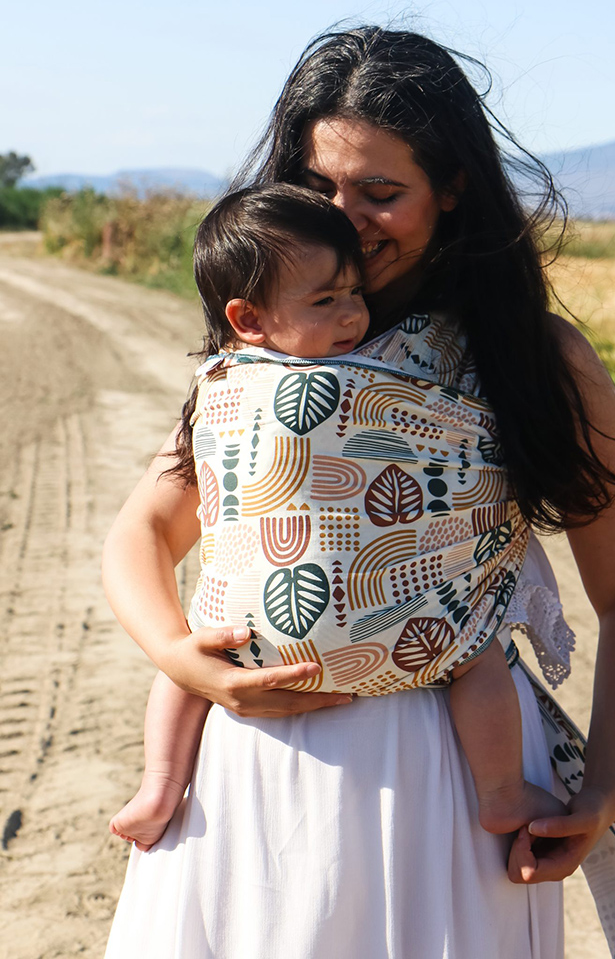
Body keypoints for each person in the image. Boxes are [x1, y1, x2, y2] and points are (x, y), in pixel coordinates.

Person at [103, 26, 615, 959]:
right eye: (321, 187)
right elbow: (143, 534)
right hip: (251, 772)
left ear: (451, 191)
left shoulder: (532, 360)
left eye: (380, 192)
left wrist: (608, 783)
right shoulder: (257, 362)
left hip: (451, 784)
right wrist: (186, 661)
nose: (346, 217)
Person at [109, 183, 565, 870]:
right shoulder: (233, 385)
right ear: (250, 318)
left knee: (477, 654)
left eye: (354, 295)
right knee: (473, 649)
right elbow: (145, 525)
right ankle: (162, 784)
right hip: (363, 651)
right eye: (327, 301)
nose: (353, 314)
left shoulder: (243, 373)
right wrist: (176, 652)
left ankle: (498, 790)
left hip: (347, 646)